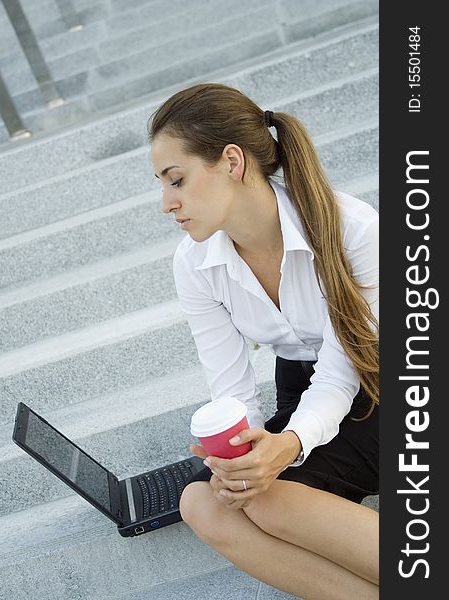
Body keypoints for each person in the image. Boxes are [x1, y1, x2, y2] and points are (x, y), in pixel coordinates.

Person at [148, 82, 379, 600]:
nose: (167, 204)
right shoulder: (195, 263)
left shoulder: (353, 230)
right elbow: (231, 389)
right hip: (304, 385)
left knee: (266, 499)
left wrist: (290, 445)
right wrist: (242, 456)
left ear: (232, 161)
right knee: (205, 502)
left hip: (390, 384)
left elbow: (344, 373)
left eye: (176, 180)